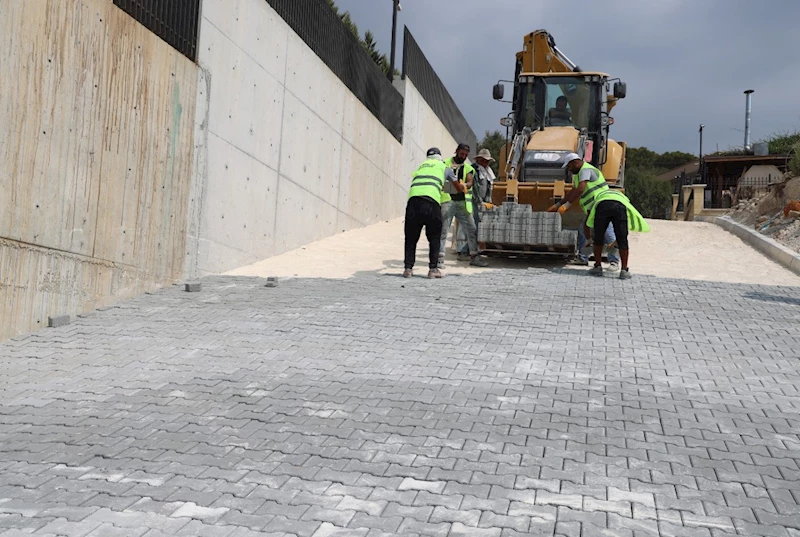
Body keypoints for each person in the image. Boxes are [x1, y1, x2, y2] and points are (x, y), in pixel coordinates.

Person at [548, 152, 649, 279]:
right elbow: (574, 190)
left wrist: (567, 205)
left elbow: (580, 189)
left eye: (569, 166)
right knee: (594, 231)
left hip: (600, 204)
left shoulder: (586, 170)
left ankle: (611, 262)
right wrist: (558, 204)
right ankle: (591, 259)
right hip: (602, 206)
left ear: (575, 162)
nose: (569, 169)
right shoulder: (579, 175)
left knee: (604, 233)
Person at [403, 147, 458, 279]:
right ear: (440, 157)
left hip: (413, 202)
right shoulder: (444, 167)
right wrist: (464, 188)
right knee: (434, 237)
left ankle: (408, 269)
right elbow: (456, 187)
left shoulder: (421, 166)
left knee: (411, 238)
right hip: (431, 203)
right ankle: (433, 269)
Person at [439, 144, 489, 268]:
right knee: (443, 230)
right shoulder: (444, 164)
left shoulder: (467, 168)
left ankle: (474, 256)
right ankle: (438, 259)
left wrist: (465, 185)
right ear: (456, 151)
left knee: (471, 229)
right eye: (462, 154)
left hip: (462, 203)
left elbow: (470, 181)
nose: (463, 157)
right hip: (447, 200)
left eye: (466, 155)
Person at [456, 148, 495, 259]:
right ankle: (462, 251)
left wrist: (487, 201)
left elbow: (488, 188)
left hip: (479, 203)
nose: (485, 163)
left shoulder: (488, 172)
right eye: (483, 160)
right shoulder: (473, 170)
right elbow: (475, 187)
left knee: (476, 227)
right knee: (466, 226)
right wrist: (479, 200)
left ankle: (471, 249)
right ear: (478, 160)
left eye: (487, 161)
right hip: (470, 201)